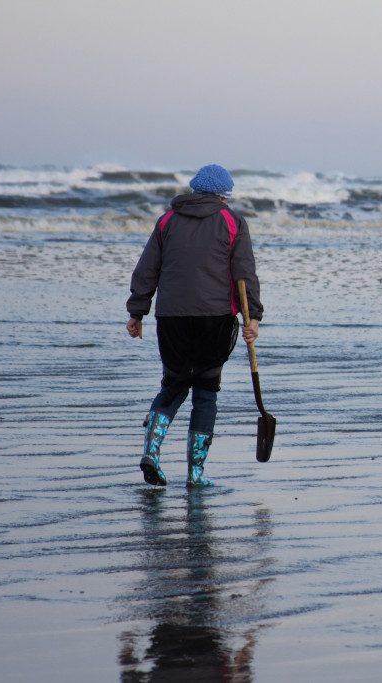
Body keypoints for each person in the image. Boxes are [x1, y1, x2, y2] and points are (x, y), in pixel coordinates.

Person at [126, 164, 262, 487]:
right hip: (214, 320)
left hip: (171, 318)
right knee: (205, 390)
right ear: (223, 195)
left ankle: (152, 451)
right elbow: (244, 274)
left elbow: (147, 269)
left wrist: (137, 311)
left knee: (173, 383)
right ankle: (195, 473)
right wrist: (252, 317)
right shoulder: (232, 221)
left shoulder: (167, 220)